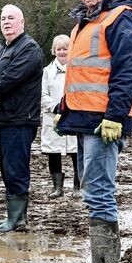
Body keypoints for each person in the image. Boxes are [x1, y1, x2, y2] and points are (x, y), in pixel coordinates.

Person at [57, 0, 132, 263]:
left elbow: (126, 73)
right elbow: (84, 73)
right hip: (83, 120)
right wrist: (62, 107)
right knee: (93, 191)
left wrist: (115, 116)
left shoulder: (120, 19)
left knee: (99, 193)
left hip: (103, 123)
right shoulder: (83, 23)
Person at [0, 4, 43, 233]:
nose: (6, 22)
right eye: (3, 18)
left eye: (11, 18)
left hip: (19, 119)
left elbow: (9, 79)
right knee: (7, 169)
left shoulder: (29, 49)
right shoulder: (2, 49)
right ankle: (15, 216)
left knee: (16, 168)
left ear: (22, 22)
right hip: (4, 119)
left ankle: (16, 218)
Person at [40, 34, 79, 198]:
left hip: (74, 116)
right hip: (52, 118)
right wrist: (56, 107)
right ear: (54, 51)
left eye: (65, 48)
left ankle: (78, 187)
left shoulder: (77, 70)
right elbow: (42, 96)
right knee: (53, 153)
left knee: (76, 152)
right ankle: (57, 188)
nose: (62, 52)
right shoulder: (46, 72)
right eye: (59, 49)